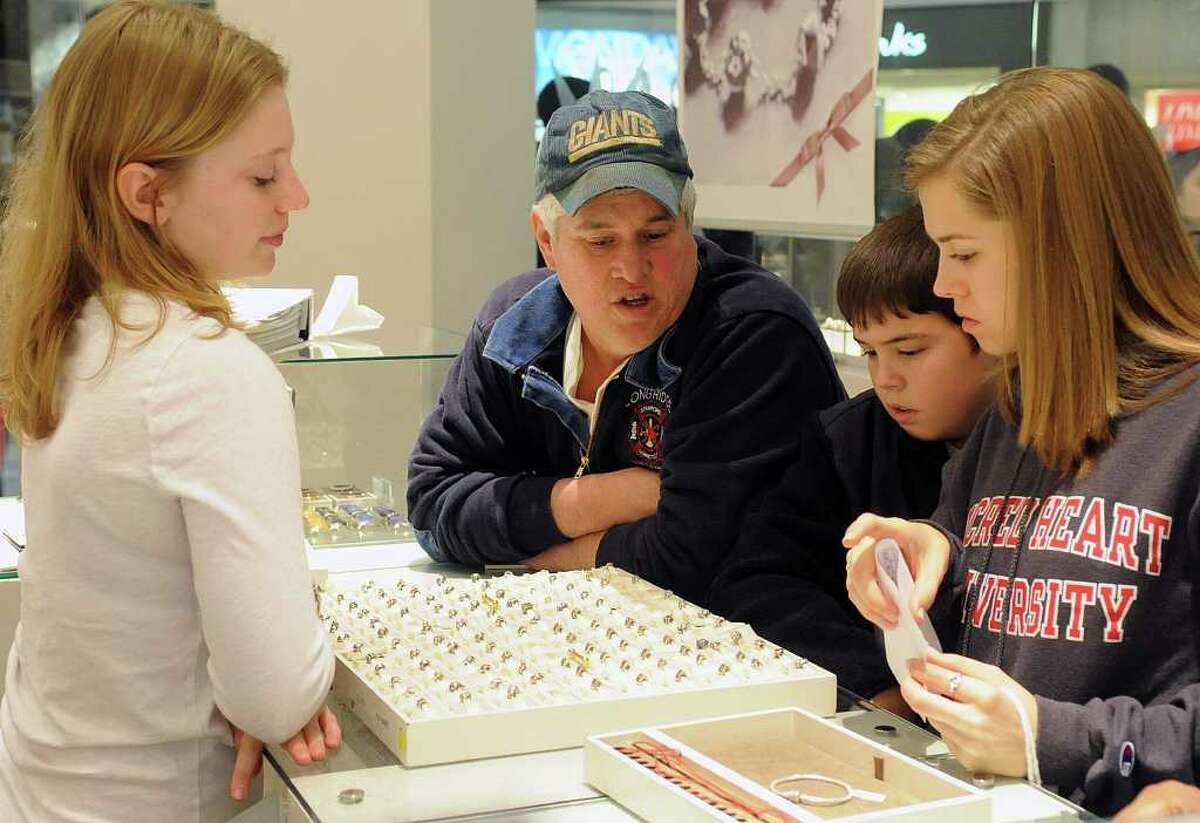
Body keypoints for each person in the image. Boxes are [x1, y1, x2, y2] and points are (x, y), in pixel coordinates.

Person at [0, 3, 337, 819]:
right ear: (148, 192)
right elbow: (273, 691)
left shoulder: (72, 325)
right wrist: (292, 643)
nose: (297, 195)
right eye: (263, 175)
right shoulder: (210, 373)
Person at [843, 67, 1200, 816]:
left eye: (964, 253)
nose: (944, 283)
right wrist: (926, 560)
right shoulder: (1014, 406)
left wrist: (1054, 733)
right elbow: (995, 585)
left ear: (1062, 243)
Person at [407, 89, 844, 607]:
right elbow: (433, 506)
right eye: (600, 241)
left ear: (689, 221)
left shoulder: (753, 333)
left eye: (655, 234)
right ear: (546, 241)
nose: (632, 269)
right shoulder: (512, 326)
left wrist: (528, 553)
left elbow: (694, 562)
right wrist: (616, 496)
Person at [707, 207, 996, 704]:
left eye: (908, 351)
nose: (886, 378)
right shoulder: (849, 439)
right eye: (870, 352)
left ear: (986, 331)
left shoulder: (1044, 450)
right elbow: (756, 579)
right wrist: (880, 685)